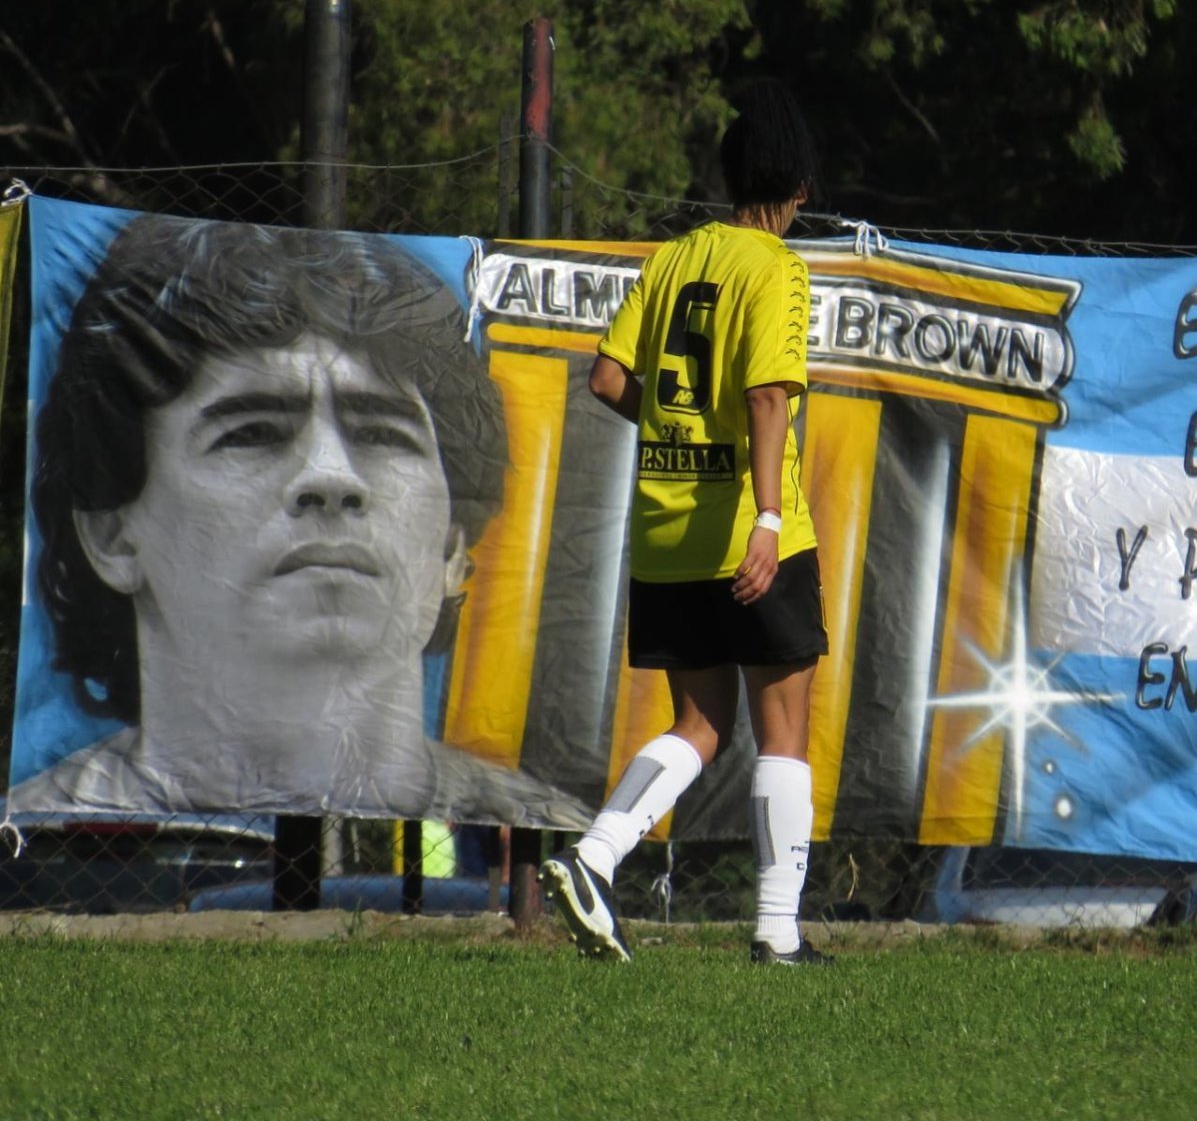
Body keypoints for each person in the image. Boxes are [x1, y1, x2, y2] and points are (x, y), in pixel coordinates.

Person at [10, 212, 589, 828]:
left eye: (380, 432)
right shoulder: (37, 847)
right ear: (111, 534)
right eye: (252, 432)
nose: (331, 477)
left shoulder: (562, 830)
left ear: (452, 546)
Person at [539, 80, 832, 965]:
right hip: (749, 529)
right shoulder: (776, 266)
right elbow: (767, 392)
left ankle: (594, 859)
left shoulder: (671, 260)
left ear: (729, 171)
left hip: (666, 533)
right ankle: (777, 934)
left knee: (699, 725)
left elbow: (606, 379)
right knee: (781, 730)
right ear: (799, 191)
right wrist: (770, 518)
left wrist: (677, 430)